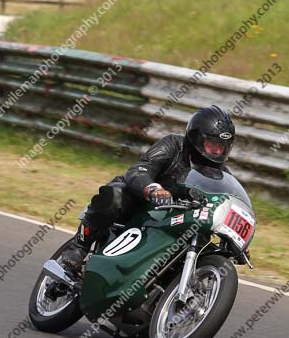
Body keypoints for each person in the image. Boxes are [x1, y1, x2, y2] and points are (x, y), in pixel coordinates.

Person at [61, 106, 244, 272]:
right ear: (196, 138)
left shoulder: (221, 175)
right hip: (142, 205)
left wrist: (234, 238)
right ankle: (79, 247)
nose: (217, 152)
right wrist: (153, 189)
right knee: (115, 195)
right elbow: (139, 170)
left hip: (176, 221)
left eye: (222, 147)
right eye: (212, 145)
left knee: (204, 241)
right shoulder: (173, 145)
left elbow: (225, 204)